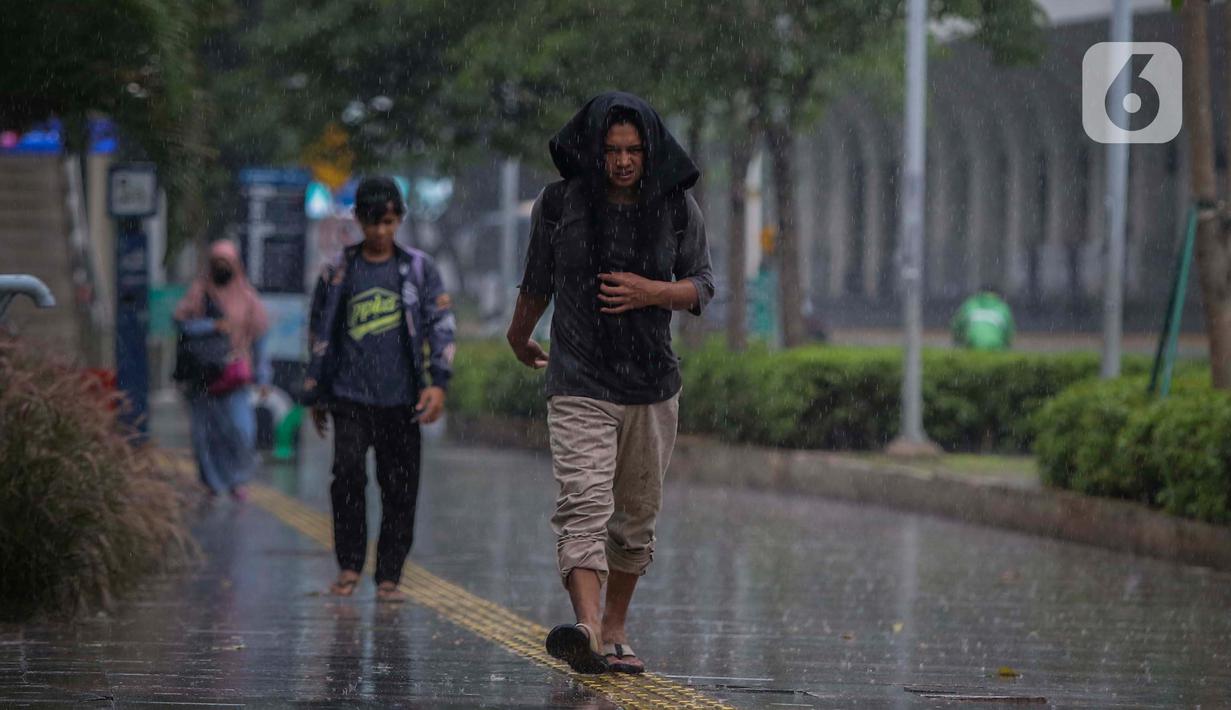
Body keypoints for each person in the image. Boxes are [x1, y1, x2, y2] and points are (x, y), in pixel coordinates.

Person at [506, 91, 715, 674]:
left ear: (650, 153)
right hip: (578, 378)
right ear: (593, 152)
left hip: (652, 383)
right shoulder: (557, 205)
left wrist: (653, 292)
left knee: (635, 517)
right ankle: (588, 629)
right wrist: (519, 335)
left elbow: (702, 285)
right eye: (612, 150)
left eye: (633, 150)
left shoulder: (677, 208)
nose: (623, 162)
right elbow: (535, 282)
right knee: (583, 504)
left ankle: (616, 625)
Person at [302, 176, 456, 603]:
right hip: (349, 397)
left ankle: (389, 575)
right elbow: (319, 331)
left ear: (400, 219)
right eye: (373, 222)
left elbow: (440, 326)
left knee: (400, 488)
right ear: (358, 220)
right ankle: (349, 565)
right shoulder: (338, 270)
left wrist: (439, 384)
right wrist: (317, 391)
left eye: (389, 222)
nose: (381, 232)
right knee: (347, 478)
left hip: (403, 399)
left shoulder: (419, 269)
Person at [175, 239, 271, 502]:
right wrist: (212, 326)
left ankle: (238, 480)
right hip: (203, 376)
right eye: (216, 263)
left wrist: (263, 376)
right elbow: (182, 323)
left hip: (234, 375)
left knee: (241, 432)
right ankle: (212, 482)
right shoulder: (199, 292)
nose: (221, 268)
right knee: (204, 436)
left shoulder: (248, 297)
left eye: (226, 263)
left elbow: (260, 336)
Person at [952, 287, 1014, 351]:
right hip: (996, 346)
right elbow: (1009, 335)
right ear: (997, 296)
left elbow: (957, 327)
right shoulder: (1003, 308)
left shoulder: (970, 304)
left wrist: (959, 342)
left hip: (972, 344)